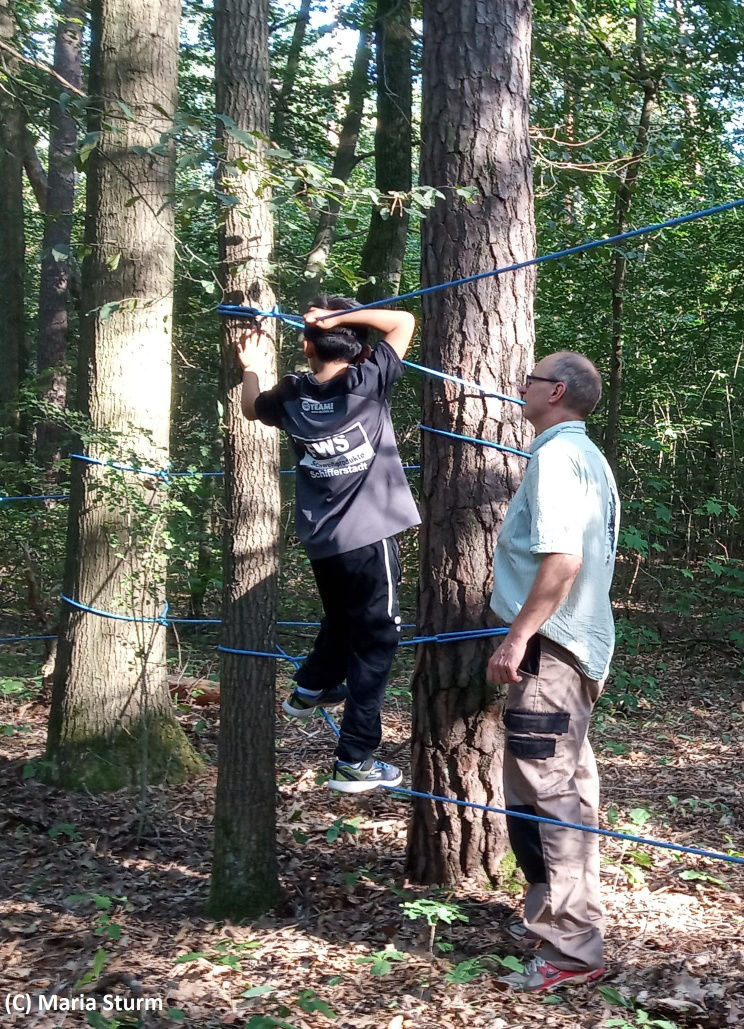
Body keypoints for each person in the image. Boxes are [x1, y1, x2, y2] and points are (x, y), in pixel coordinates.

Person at [238, 296, 420, 793]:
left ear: (306, 345)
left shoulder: (293, 393)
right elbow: (402, 321)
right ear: (360, 351)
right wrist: (338, 320)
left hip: (324, 540)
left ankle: (309, 688)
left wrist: (253, 366)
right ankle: (354, 760)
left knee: (343, 619)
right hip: (370, 534)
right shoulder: (366, 383)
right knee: (377, 641)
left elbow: (252, 408)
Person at [486, 351, 620, 993]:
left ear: (556, 391)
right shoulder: (585, 455)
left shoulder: (559, 456)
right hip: (570, 647)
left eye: (531, 380)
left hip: (551, 651)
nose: (522, 387)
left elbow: (562, 561)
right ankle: (556, 918)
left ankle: (571, 950)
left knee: (550, 792)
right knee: (553, 788)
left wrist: (517, 637)